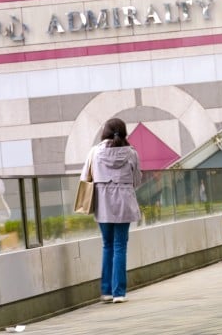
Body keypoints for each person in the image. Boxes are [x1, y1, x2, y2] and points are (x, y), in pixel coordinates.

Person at [80, 117, 142, 304]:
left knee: (107, 245)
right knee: (120, 246)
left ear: (105, 132)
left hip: (103, 204)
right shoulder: (131, 153)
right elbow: (137, 180)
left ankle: (106, 291)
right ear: (124, 132)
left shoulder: (94, 152)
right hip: (124, 203)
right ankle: (119, 293)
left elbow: (85, 177)